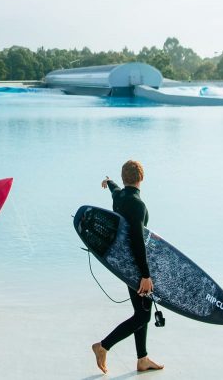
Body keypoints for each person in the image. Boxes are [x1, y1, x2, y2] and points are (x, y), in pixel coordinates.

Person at [91, 160, 164, 373]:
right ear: (142, 177)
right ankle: (103, 346)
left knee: (142, 311)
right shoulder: (137, 204)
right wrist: (145, 275)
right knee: (142, 316)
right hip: (135, 267)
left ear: (124, 179)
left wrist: (109, 181)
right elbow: (137, 239)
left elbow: (115, 190)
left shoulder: (121, 197)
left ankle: (143, 359)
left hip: (123, 263)